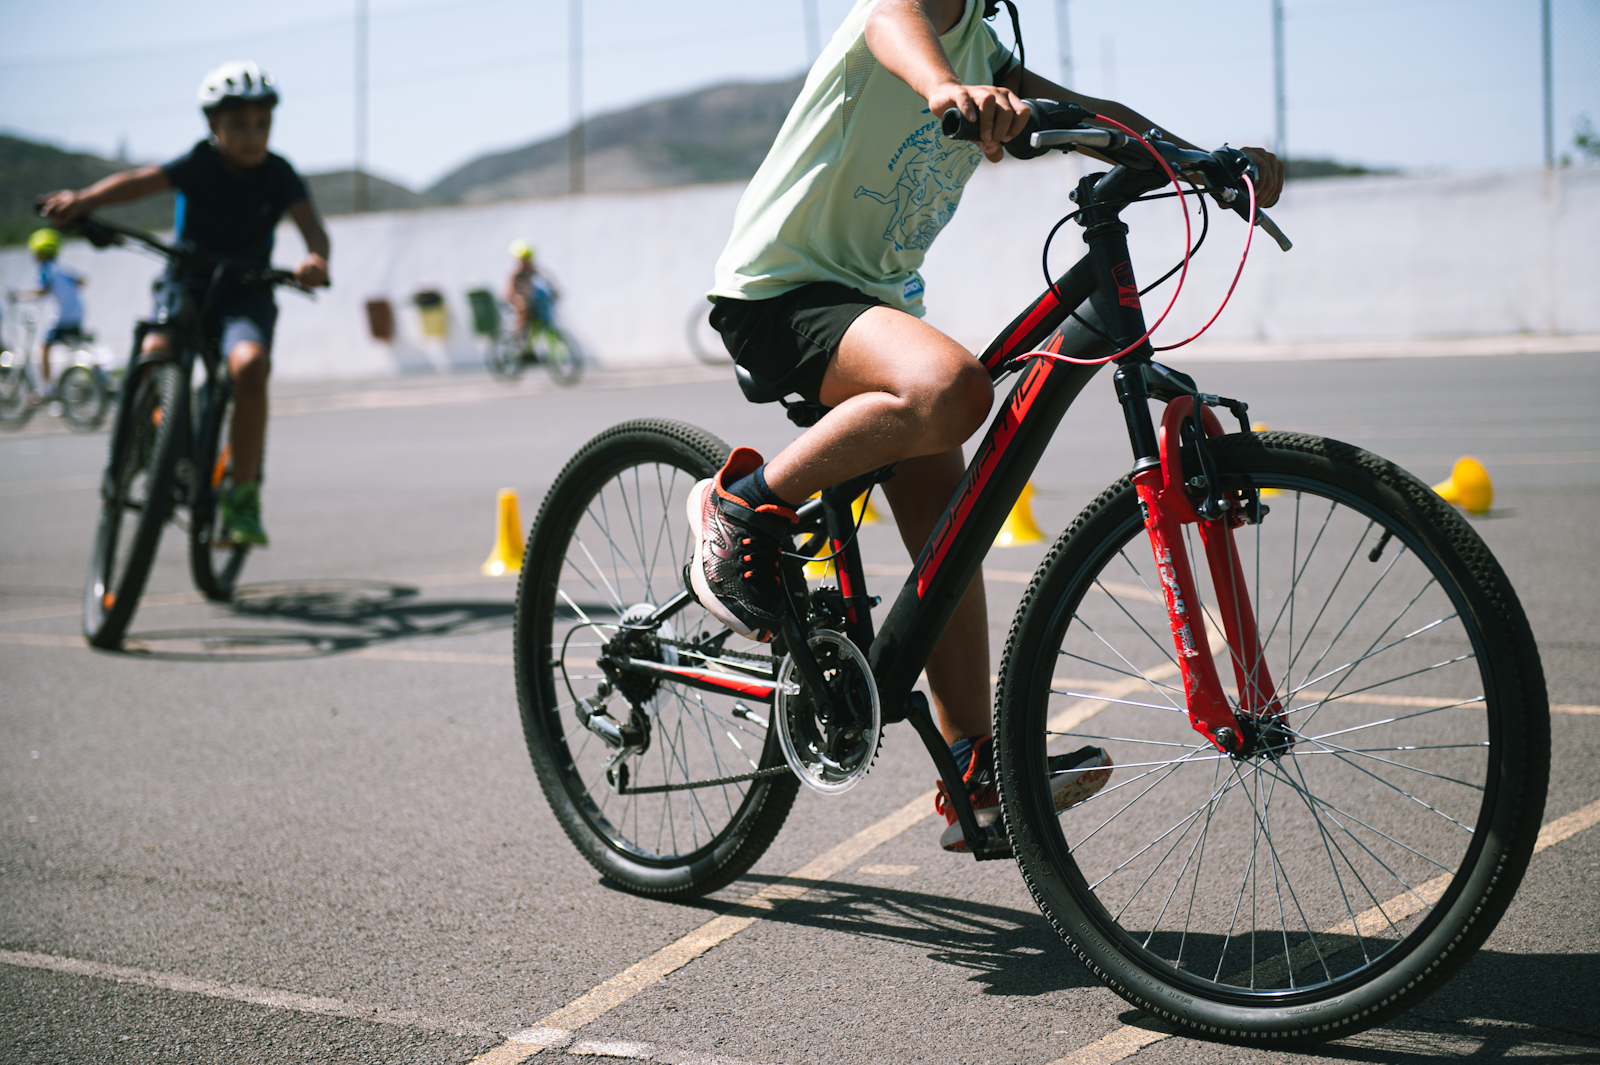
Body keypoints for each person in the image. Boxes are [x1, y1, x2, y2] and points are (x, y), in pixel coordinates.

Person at [694, 0, 1284, 852]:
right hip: (782, 293)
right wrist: (946, 89)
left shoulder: (983, 45)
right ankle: (742, 504)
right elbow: (898, 34)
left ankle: (971, 766)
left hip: (874, 304)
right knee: (955, 388)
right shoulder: (906, 16)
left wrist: (1197, 157)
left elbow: (1089, 116)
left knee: (954, 530)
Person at [42, 60, 330, 547]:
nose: (252, 135)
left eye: (262, 124)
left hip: (246, 290)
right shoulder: (199, 164)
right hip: (187, 281)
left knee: (251, 365)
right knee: (158, 350)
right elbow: (141, 180)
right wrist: (85, 201)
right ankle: (150, 435)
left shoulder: (279, 175)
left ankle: (242, 499)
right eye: (238, 124)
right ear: (213, 127)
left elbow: (312, 228)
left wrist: (316, 259)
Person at [23, 228, 86, 392]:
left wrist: (19, 295)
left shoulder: (45, 269)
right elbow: (82, 281)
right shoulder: (61, 270)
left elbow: (41, 290)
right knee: (74, 348)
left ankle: (46, 389)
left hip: (61, 318)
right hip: (77, 314)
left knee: (43, 349)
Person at [505, 239, 557, 343]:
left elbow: (545, 277)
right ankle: (517, 336)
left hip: (528, 297)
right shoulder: (515, 271)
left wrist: (553, 289)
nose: (526, 262)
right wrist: (515, 298)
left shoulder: (530, 269)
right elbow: (509, 289)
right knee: (523, 310)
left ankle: (529, 342)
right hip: (517, 298)